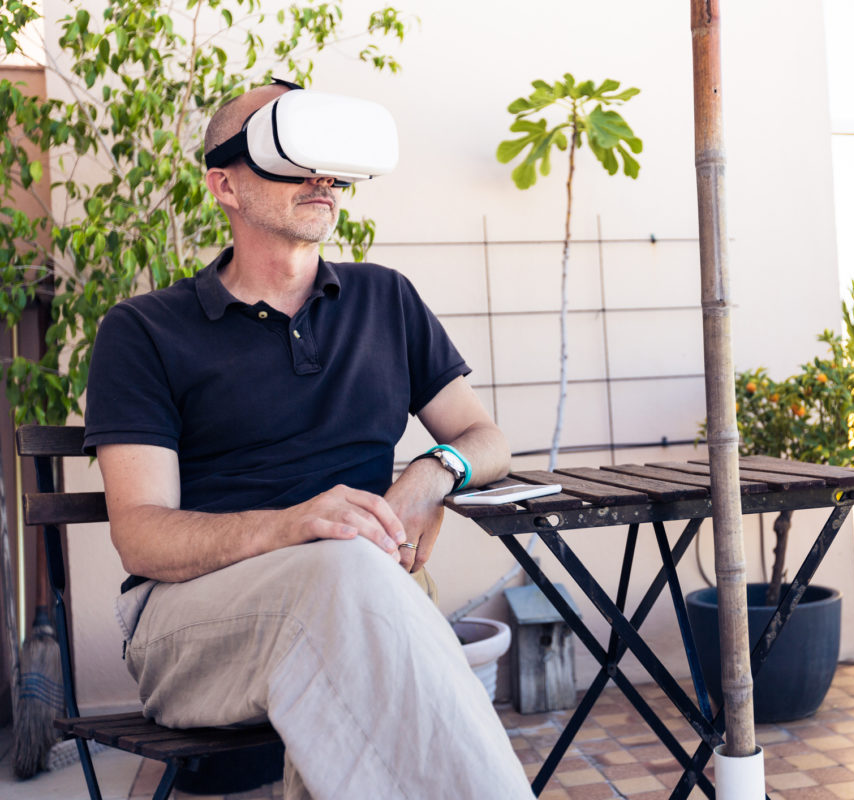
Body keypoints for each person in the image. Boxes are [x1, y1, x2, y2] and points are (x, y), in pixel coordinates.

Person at [82, 81, 536, 799]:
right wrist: (294, 528)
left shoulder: (385, 299)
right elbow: (142, 538)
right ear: (224, 183)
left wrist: (432, 472)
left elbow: (486, 438)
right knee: (344, 574)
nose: (320, 174)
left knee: (351, 596)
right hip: (189, 621)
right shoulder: (143, 331)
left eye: (326, 153)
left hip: (354, 605)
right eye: (286, 150)